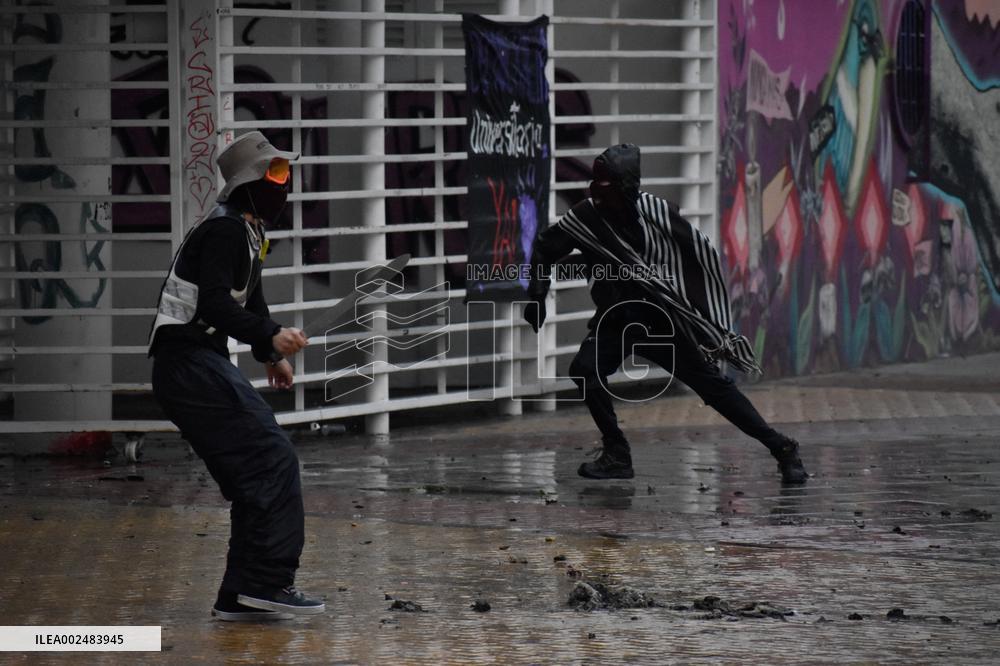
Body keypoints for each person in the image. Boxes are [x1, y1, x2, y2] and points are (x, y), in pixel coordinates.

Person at [524, 143, 808, 484]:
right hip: (617, 318)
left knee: (714, 389)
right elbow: (545, 248)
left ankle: (782, 448)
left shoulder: (657, 213)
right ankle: (617, 453)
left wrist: (700, 315)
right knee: (585, 370)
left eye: (605, 182)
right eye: (594, 181)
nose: (595, 188)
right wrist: (537, 296)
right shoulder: (585, 217)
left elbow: (696, 255)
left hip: (661, 320)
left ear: (626, 186)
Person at [149, 131, 325, 621]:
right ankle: (265, 583)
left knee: (257, 470)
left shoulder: (250, 232)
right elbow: (213, 303)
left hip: (199, 364)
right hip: (187, 364)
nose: (284, 182)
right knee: (272, 459)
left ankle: (242, 594)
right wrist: (271, 334)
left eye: (286, 171)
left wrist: (269, 351)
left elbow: (250, 300)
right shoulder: (225, 230)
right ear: (250, 182)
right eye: (275, 172)